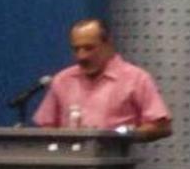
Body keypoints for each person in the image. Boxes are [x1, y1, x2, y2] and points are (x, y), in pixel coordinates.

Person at [34, 18, 172, 142]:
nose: (81, 56)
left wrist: (121, 136)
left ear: (108, 44)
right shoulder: (63, 80)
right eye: (76, 49)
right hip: (69, 165)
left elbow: (162, 127)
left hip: (115, 163)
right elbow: (45, 126)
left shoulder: (136, 79)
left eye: (89, 48)